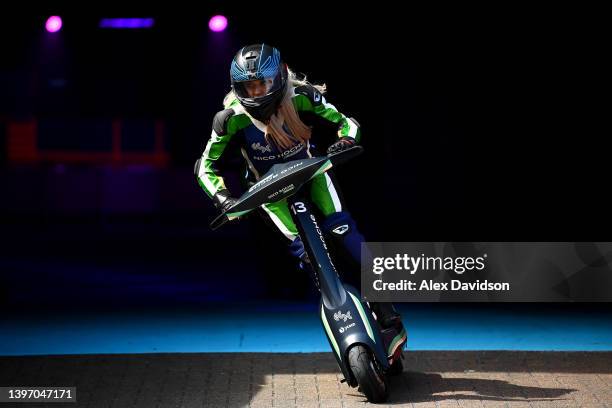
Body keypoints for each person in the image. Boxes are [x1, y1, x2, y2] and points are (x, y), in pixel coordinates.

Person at [195, 43, 402, 330]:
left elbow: (347, 123)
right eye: (249, 87)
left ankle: (385, 302)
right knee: (304, 249)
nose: (257, 93)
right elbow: (204, 165)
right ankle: (341, 306)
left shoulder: (302, 96)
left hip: (310, 172)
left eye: (263, 84)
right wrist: (222, 197)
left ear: (279, 75)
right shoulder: (229, 119)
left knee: (343, 229)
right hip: (269, 191)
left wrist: (346, 140)